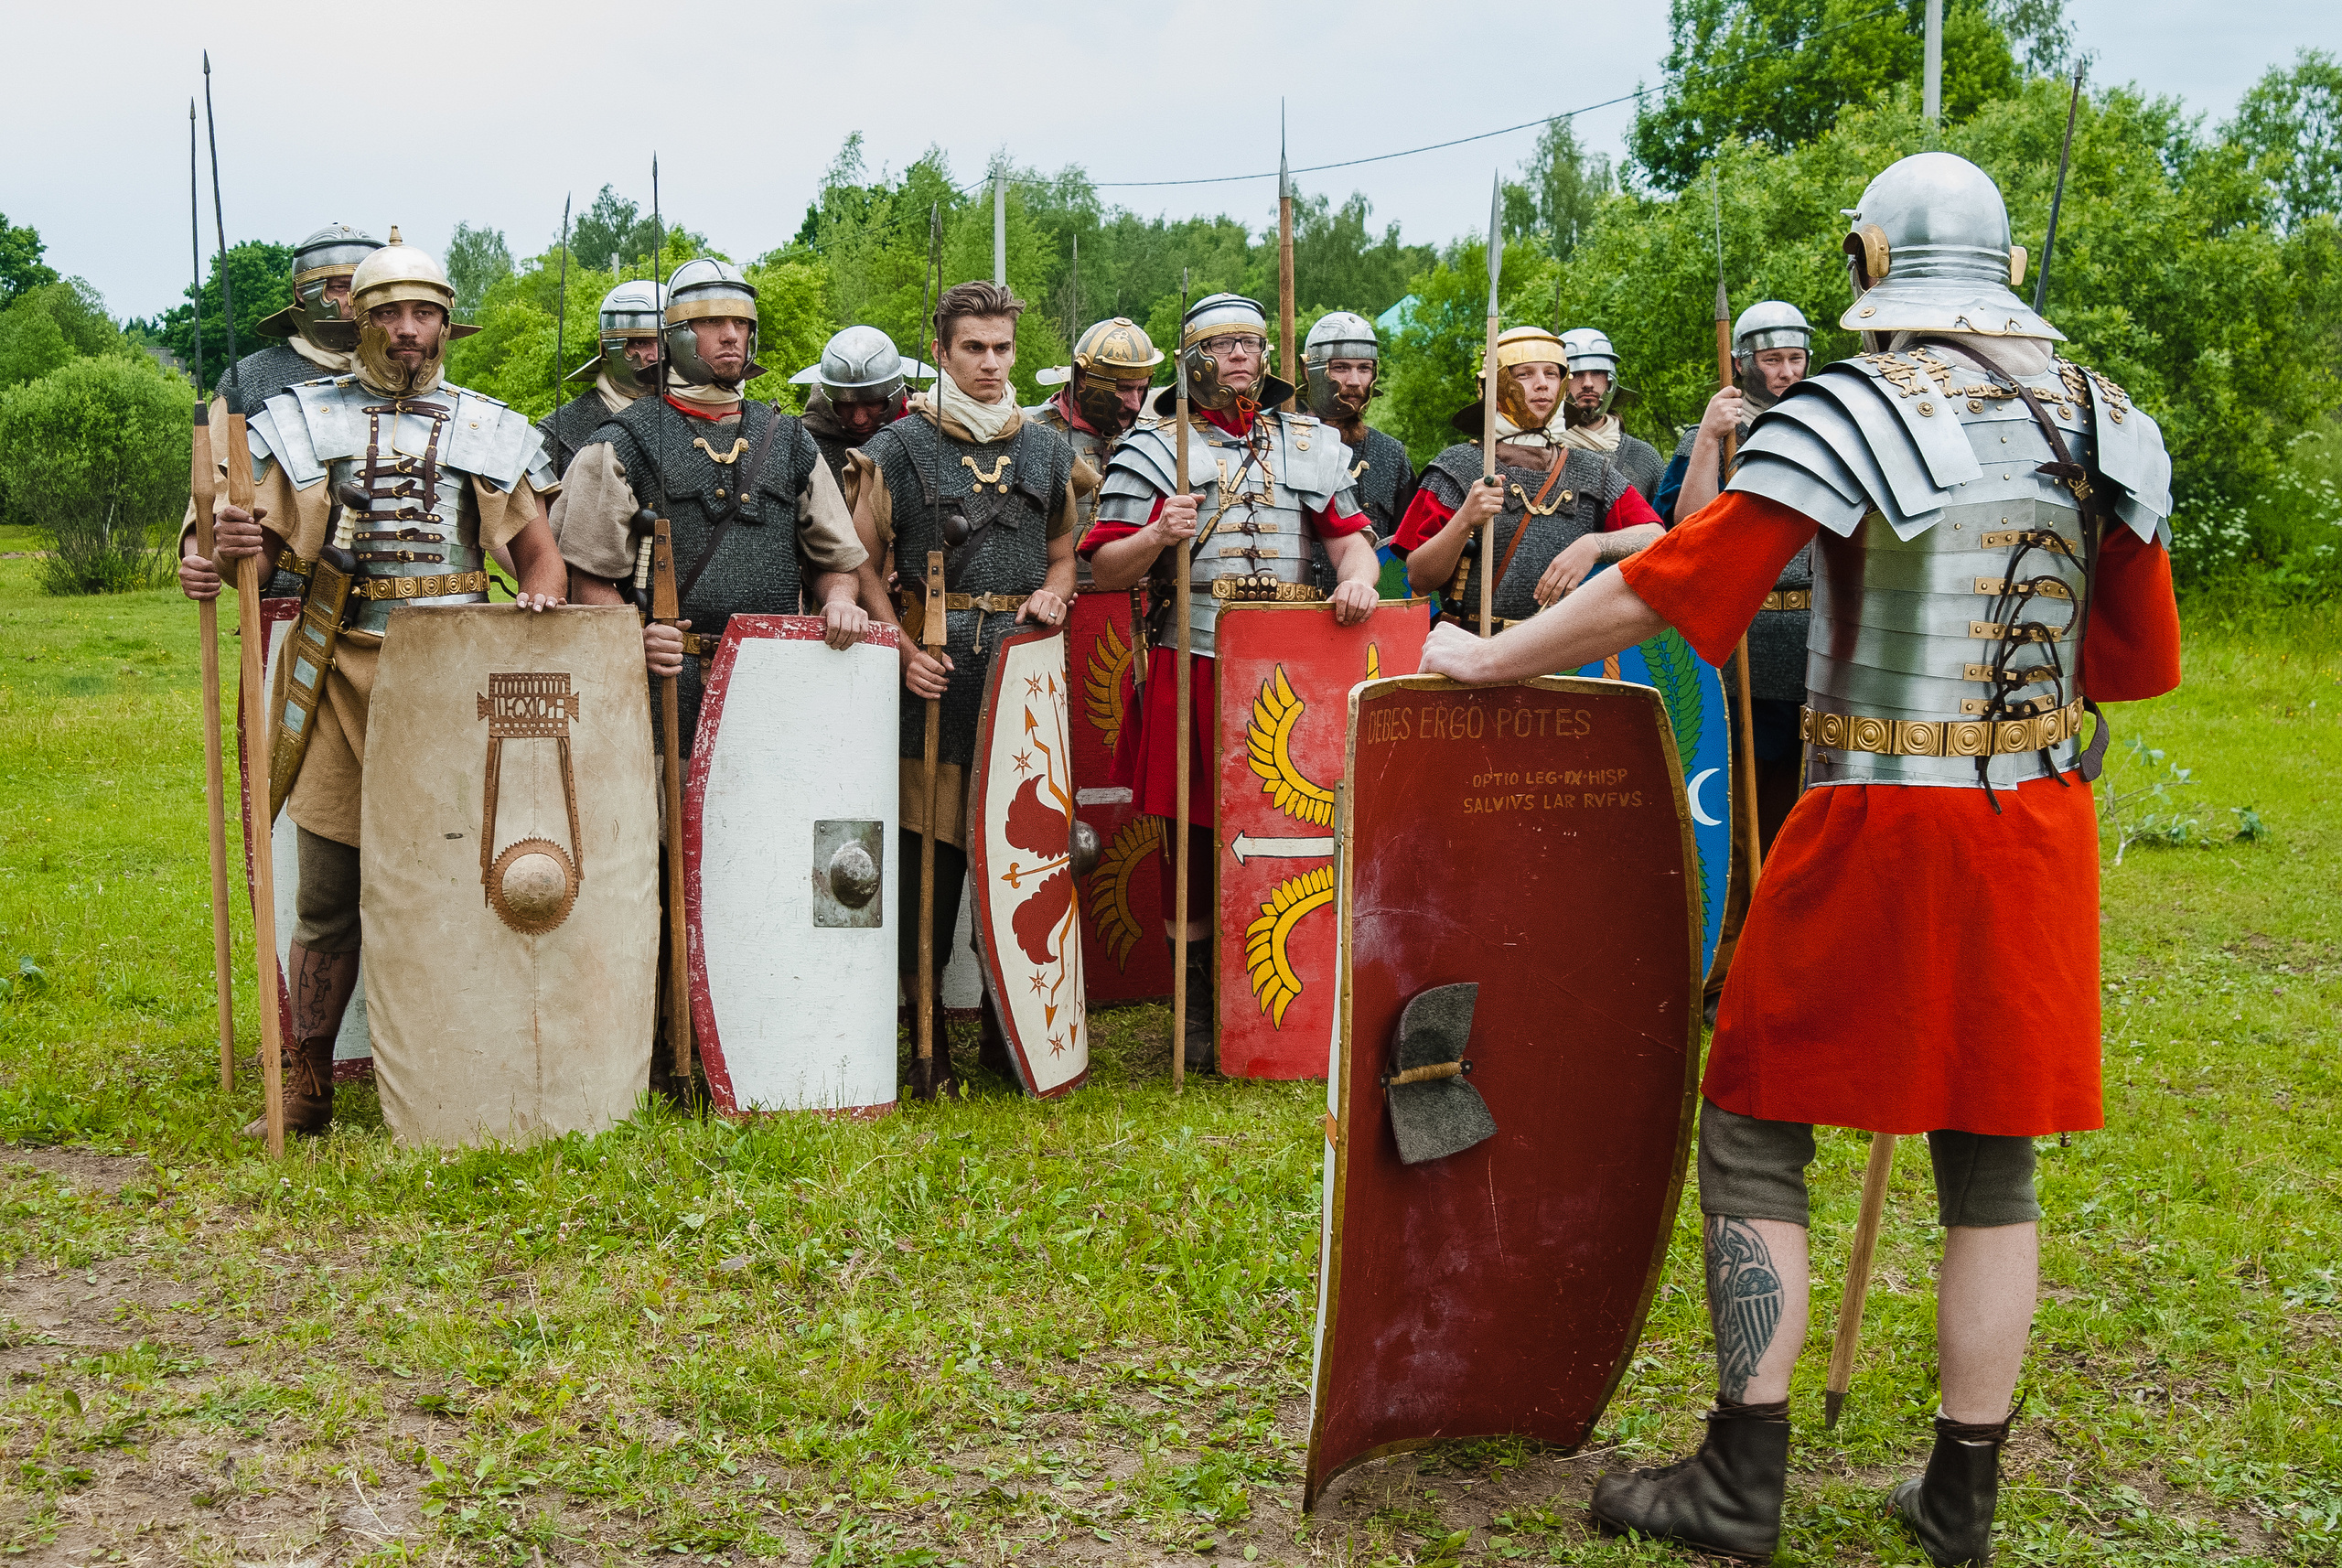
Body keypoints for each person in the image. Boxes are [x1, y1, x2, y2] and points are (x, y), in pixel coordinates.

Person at [1419, 151, 2180, 1566]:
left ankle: (1739, 1475)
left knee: (1756, 1119)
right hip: (2036, 822)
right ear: (2004, 270)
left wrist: (1488, 657)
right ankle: (1961, 1498)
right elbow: (2135, 659)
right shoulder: (2107, 420)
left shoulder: (1857, 406)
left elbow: (1668, 586)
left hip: (1883, 818)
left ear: (1873, 260)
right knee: (1992, 1161)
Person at [177, 233, 568, 1137]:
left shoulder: (487, 428)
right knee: (327, 892)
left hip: (459, 680)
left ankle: (465, 1069)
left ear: (447, 326)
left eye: (423, 312)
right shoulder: (301, 421)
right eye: (388, 312)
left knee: (472, 880)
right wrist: (224, 553)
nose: (406, 329)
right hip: (340, 672)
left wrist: (541, 603)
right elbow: (252, 560)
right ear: (357, 321)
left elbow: (539, 558)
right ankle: (309, 1079)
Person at [1080, 293, 1381, 1071]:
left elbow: (1353, 542)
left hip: (1288, 673)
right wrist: (1157, 533)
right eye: (1223, 345)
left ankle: (1280, 1001)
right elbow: (1104, 568)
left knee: (1291, 835)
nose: (1241, 354)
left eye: (1251, 342)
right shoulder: (1154, 446)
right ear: (1193, 361)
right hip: (1194, 658)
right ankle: (1197, 1014)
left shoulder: (1309, 443)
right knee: (1190, 840)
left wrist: (1359, 578)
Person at [843, 281, 1081, 1095]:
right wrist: (900, 648)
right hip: (934, 678)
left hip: (1019, 683)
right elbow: (860, 563)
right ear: (942, 352)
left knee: (1021, 861)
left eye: (1001, 348)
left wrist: (1055, 594)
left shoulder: (1047, 450)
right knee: (932, 869)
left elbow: (1063, 555)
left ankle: (1011, 1036)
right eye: (973, 348)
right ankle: (928, 1043)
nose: (990, 363)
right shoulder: (899, 448)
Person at [550, 258, 870, 751]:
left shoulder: (789, 439)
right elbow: (586, 576)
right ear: (677, 335)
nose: (731, 335)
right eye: (712, 322)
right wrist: (633, 636)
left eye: (740, 323)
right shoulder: (620, 442)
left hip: (773, 677)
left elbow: (836, 560)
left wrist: (841, 600)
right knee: (670, 800)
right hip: (667, 682)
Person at [1663, 301, 1816, 1022]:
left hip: (1816, 645)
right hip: (1744, 643)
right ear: (1743, 362)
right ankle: (1723, 973)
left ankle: (1792, 965)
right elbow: (1686, 531)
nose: (1784, 372)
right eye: (1771, 359)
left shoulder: (1829, 427)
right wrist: (1706, 440)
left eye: (1794, 358)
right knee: (1736, 817)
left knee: (1802, 814)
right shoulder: (1718, 434)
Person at [1395, 326, 1663, 627]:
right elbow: (1420, 578)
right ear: (1497, 386)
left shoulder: (1592, 470)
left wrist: (1593, 546)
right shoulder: (1458, 466)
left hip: (1560, 646)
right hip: (1474, 643)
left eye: (1551, 373)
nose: (1542, 384)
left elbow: (1654, 536)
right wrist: (1465, 519)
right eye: (1524, 374)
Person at [180, 222, 381, 599]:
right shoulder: (251, 380)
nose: (354, 301)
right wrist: (198, 557)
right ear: (302, 292)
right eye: (340, 287)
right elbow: (213, 491)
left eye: (365, 289)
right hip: (291, 595)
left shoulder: (408, 378)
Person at [1300, 311, 1416, 597]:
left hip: (1366, 610)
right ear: (1309, 370)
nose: (1354, 381)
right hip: (1291, 609)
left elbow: (1408, 553)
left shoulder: (1392, 454)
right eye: (1340, 367)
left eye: (1364, 368)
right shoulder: (1282, 443)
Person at [1027, 315, 1165, 546]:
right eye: (1124, 388)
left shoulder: (1149, 439)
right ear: (1083, 377)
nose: (1134, 404)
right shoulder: (1029, 433)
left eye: (1141, 389)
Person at [537, 279, 665, 478]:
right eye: (641, 342)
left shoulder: (695, 416)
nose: (656, 356)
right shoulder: (557, 434)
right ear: (606, 347)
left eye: (664, 342)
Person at [796, 324, 919, 489]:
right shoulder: (803, 449)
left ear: (895, 395)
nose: (859, 420)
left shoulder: (926, 433)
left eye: (872, 403)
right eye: (845, 406)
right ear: (829, 399)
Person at [1558, 326, 1666, 503]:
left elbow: (1664, 519)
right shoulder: (1543, 451)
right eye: (1575, 374)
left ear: (1610, 380)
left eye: (1597, 372)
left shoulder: (1642, 457)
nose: (1588, 383)